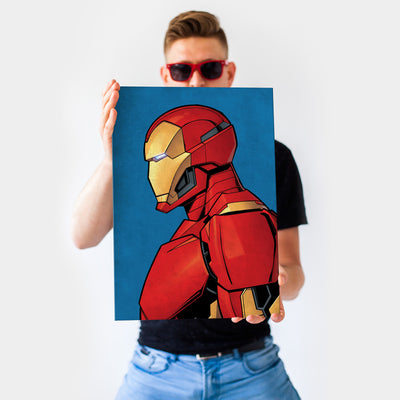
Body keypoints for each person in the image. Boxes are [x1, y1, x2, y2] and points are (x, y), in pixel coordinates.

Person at [72, 10, 307, 400]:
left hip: (249, 367)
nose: (196, 80)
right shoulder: (130, 167)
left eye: (210, 69)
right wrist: (111, 161)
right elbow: (82, 237)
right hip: (156, 368)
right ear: (166, 76)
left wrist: (279, 280)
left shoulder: (270, 163)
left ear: (228, 73)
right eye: (181, 70)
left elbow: (293, 270)